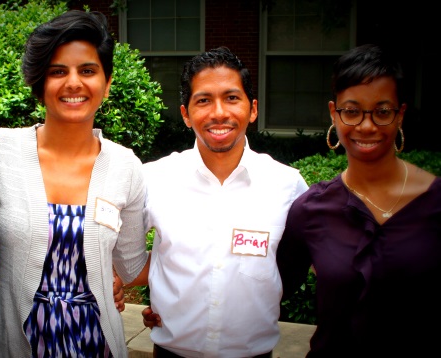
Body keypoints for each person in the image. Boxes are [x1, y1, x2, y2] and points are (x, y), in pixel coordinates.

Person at [0, 10, 149, 358]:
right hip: (16, 342)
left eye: (87, 70)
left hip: (96, 343)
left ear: (107, 81)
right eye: (58, 71)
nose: (73, 83)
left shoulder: (126, 167)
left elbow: (130, 266)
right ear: (39, 81)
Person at [137, 46, 309, 357]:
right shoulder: (154, 179)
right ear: (186, 114)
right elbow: (122, 252)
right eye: (203, 100)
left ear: (252, 109)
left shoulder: (287, 184)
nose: (219, 113)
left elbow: (297, 263)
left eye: (231, 98)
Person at [276, 44, 441, 357]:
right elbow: (268, 289)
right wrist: (174, 312)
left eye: (382, 111)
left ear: (400, 114)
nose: (366, 126)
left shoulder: (434, 202)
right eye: (352, 111)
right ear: (333, 113)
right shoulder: (311, 210)